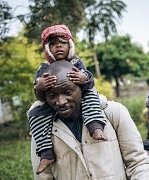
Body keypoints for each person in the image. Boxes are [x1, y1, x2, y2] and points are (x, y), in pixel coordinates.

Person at [29, 61, 149, 179]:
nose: (61, 102)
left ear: (81, 88)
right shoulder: (42, 130)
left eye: (68, 92)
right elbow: (44, 177)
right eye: (52, 95)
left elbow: (138, 164)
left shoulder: (114, 112)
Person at [29, 24, 107, 174]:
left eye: (62, 42)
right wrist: (40, 86)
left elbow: (89, 80)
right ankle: (46, 152)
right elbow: (39, 95)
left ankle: (95, 126)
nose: (58, 46)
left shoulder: (76, 62)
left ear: (70, 45)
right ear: (47, 49)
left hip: (79, 98)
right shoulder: (44, 68)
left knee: (91, 94)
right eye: (53, 44)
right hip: (51, 102)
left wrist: (84, 77)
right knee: (34, 113)